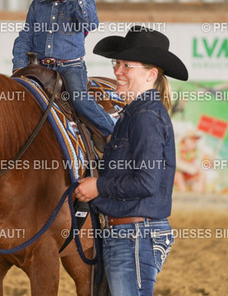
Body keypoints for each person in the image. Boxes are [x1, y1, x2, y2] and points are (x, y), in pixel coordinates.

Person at [74, 25, 189, 295]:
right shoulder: (136, 114)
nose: (117, 71)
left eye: (127, 66)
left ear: (151, 74)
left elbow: (146, 182)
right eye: (117, 64)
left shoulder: (145, 116)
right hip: (130, 233)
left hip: (135, 236)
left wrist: (98, 186)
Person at [12, 0, 115, 138]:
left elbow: (89, 23)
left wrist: (77, 0)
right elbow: (25, 36)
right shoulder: (37, 6)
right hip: (39, 66)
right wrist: (19, 65)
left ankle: (113, 133)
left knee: (79, 99)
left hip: (71, 67)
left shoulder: (85, 2)